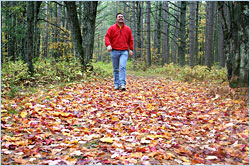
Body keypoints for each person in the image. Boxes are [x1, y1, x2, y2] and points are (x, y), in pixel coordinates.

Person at [105, 13, 134, 91]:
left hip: (124, 51)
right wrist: (108, 45)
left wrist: (131, 49)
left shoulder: (128, 29)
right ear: (116, 19)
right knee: (116, 69)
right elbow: (107, 37)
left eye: (122, 17)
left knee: (122, 67)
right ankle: (116, 84)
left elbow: (130, 40)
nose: (121, 18)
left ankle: (122, 84)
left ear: (123, 18)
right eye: (119, 17)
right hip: (114, 51)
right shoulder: (111, 28)